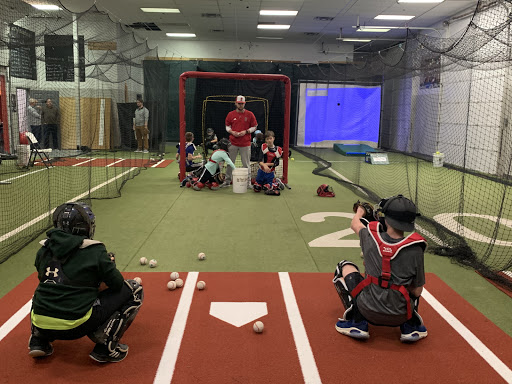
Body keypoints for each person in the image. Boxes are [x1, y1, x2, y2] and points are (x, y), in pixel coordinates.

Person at [28, 202, 143, 363]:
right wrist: (105, 270)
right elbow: (117, 284)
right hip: (77, 326)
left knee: (46, 287)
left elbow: (44, 276)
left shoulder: (44, 249)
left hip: (41, 321)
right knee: (134, 289)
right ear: (84, 227)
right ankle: (106, 347)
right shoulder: (94, 250)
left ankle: (38, 340)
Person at [333, 195, 428, 342]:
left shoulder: (369, 237)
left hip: (368, 310)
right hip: (401, 315)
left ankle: (358, 321)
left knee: (344, 267)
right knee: (412, 287)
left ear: (386, 219)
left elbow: (355, 224)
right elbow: (417, 291)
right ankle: (410, 326)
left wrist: (360, 211)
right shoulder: (416, 248)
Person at [221, 95, 258, 188]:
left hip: (245, 143)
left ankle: (248, 183)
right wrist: (232, 132)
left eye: (242, 104)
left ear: (244, 104)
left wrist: (246, 131)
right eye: (239, 103)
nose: (240, 105)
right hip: (233, 142)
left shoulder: (250, 114)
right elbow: (227, 126)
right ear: (235, 103)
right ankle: (227, 181)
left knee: (246, 164)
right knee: (230, 162)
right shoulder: (230, 114)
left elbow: (254, 127)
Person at [253, 130, 283, 195]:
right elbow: (259, 160)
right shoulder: (263, 147)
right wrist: (264, 165)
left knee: (266, 189)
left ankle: (276, 183)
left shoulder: (278, 150)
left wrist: (267, 164)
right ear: (265, 140)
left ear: (273, 139)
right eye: (267, 139)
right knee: (256, 188)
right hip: (261, 171)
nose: (269, 140)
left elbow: (276, 163)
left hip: (270, 172)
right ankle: (263, 183)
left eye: (270, 138)